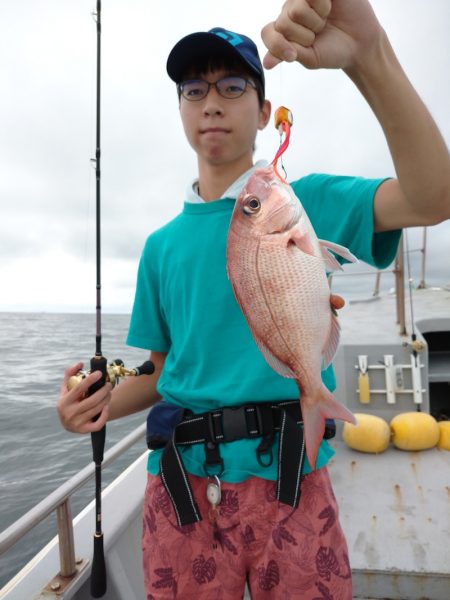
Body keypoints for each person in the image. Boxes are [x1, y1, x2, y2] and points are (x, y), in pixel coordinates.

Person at [57, 0, 450, 598]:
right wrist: (99, 406)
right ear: (182, 109)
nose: (211, 101)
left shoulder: (302, 202)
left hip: (292, 477)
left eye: (233, 85)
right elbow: (164, 376)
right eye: (194, 89)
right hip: (182, 487)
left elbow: (433, 197)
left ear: (264, 111)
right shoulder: (161, 247)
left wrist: (369, 57)